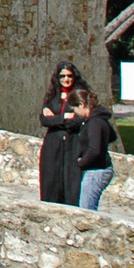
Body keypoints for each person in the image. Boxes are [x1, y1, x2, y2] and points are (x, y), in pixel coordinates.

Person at [38, 61, 88, 204]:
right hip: (52, 144)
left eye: (69, 76)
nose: (66, 79)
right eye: (62, 76)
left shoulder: (80, 96)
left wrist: (54, 119)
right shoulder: (52, 96)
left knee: (70, 183)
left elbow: (77, 122)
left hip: (72, 145)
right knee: (51, 182)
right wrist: (64, 117)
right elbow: (43, 120)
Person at [73, 87, 117, 210]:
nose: (75, 113)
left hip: (96, 170)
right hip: (100, 168)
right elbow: (112, 136)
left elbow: (95, 150)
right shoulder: (100, 119)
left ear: (82, 105)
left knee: (87, 210)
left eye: (75, 109)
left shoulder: (94, 122)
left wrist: (81, 163)